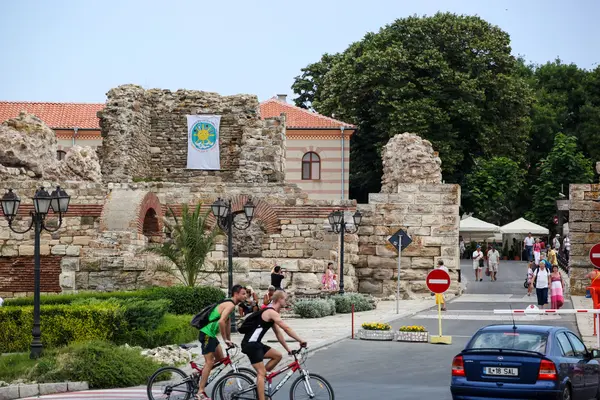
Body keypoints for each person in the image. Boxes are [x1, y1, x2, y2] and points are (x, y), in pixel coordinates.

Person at [241, 290, 307, 400]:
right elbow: (286, 328)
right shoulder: (271, 312)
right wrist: (300, 340)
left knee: (277, 356)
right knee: (261, 373)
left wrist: (288, 349)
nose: (286, 301)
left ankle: (261, 380)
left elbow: (278, 333)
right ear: (279, 299)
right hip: (251, 344)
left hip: (256, 343)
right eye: (285, 299)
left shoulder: (271, 313)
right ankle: (261, 393)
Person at [197, 284, 247, 400]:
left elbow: (228, 323)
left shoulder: (231, 305)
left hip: (211, 335)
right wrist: (225, 340)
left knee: (220, 360)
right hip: (206, 334)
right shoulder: (229, 305)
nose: (245, 296)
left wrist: (229, 339)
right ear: (236, 294)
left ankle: (199, 374)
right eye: (243, 294)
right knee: (209, 362)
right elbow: (221, 322)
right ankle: (200, 392)